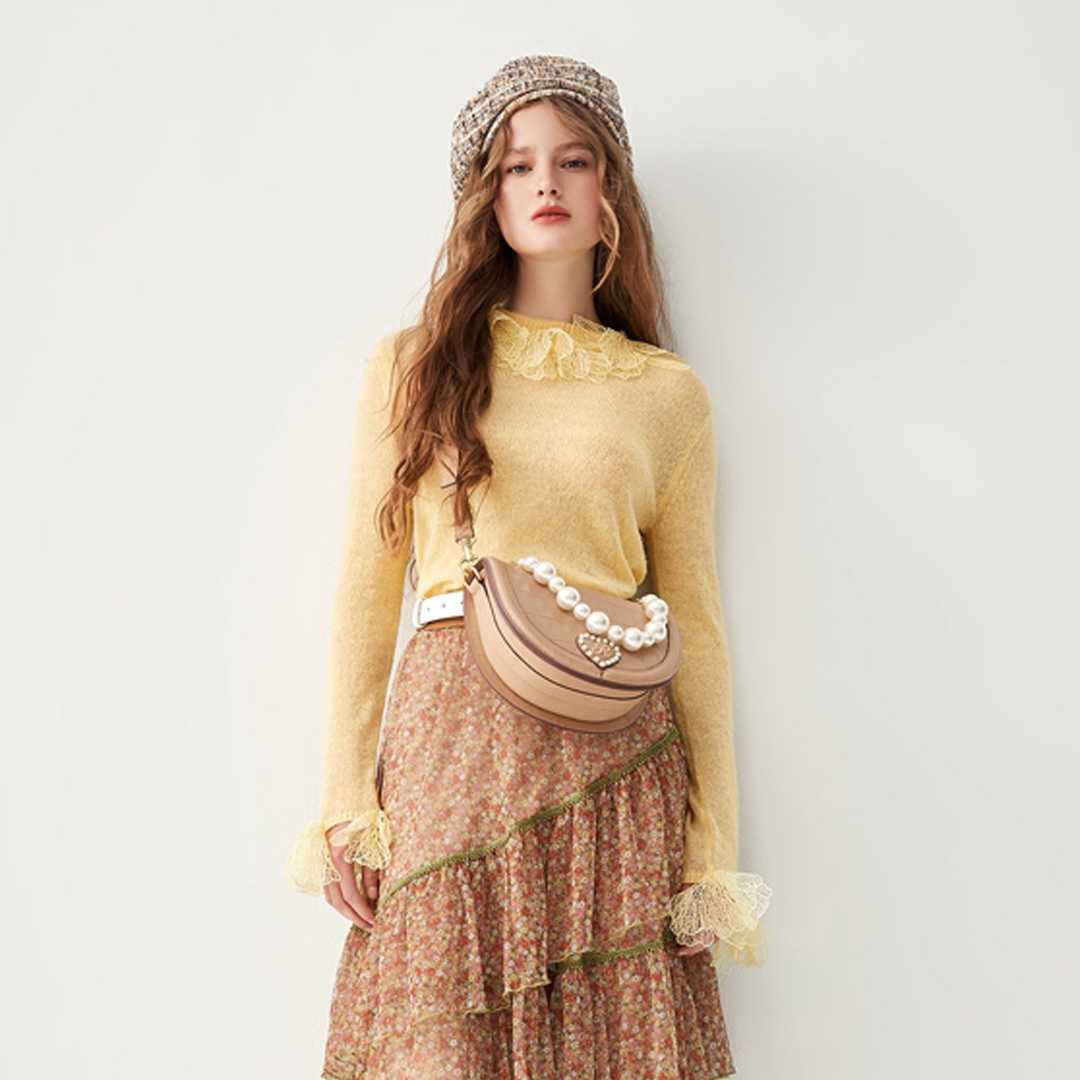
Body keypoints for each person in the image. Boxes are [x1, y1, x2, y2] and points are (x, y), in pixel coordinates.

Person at [285, 55, 773, 1080]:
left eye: (573, 160)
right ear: (489, 198)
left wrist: (711, 846)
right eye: (517, 166)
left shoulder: (668, 395)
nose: (545, 183)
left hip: (613, 765)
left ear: (610, 191)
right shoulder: (413, 366)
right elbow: (365, 595)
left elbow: (695, 620)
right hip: (449, 750)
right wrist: (346, 800)